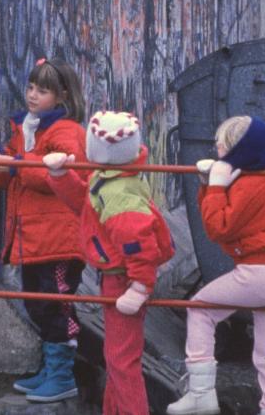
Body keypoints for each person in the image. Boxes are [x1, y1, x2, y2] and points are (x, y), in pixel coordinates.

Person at [167, 115, 265, 415]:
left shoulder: (250, 183)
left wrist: (212, 186)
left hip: (260, 272)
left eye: (225, 141)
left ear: (241, 149)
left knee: (200, 309)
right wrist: (209, 185)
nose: (217, 145)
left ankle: (200, 393)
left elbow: (219, 227)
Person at [42, 110, 174, 415]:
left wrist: (139, 287)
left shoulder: (118, 193)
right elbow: (85, 206)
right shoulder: (110, 178)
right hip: (116, 276)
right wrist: (62, 176)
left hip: (123, 280)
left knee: (123, 361)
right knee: (117, 357)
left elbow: (140, 245)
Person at [0, 58, 88, 403]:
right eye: (30, 87)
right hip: (35, 239)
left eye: (42, 90)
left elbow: (60, 177)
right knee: (38, 304)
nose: (32, 95)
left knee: (54, 306)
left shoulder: (66, 132)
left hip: (58, 240)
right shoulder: (27, 128)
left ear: (61, 96)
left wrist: (15, 167)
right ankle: (50, 369)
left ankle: (62, 376)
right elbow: (15, 176)